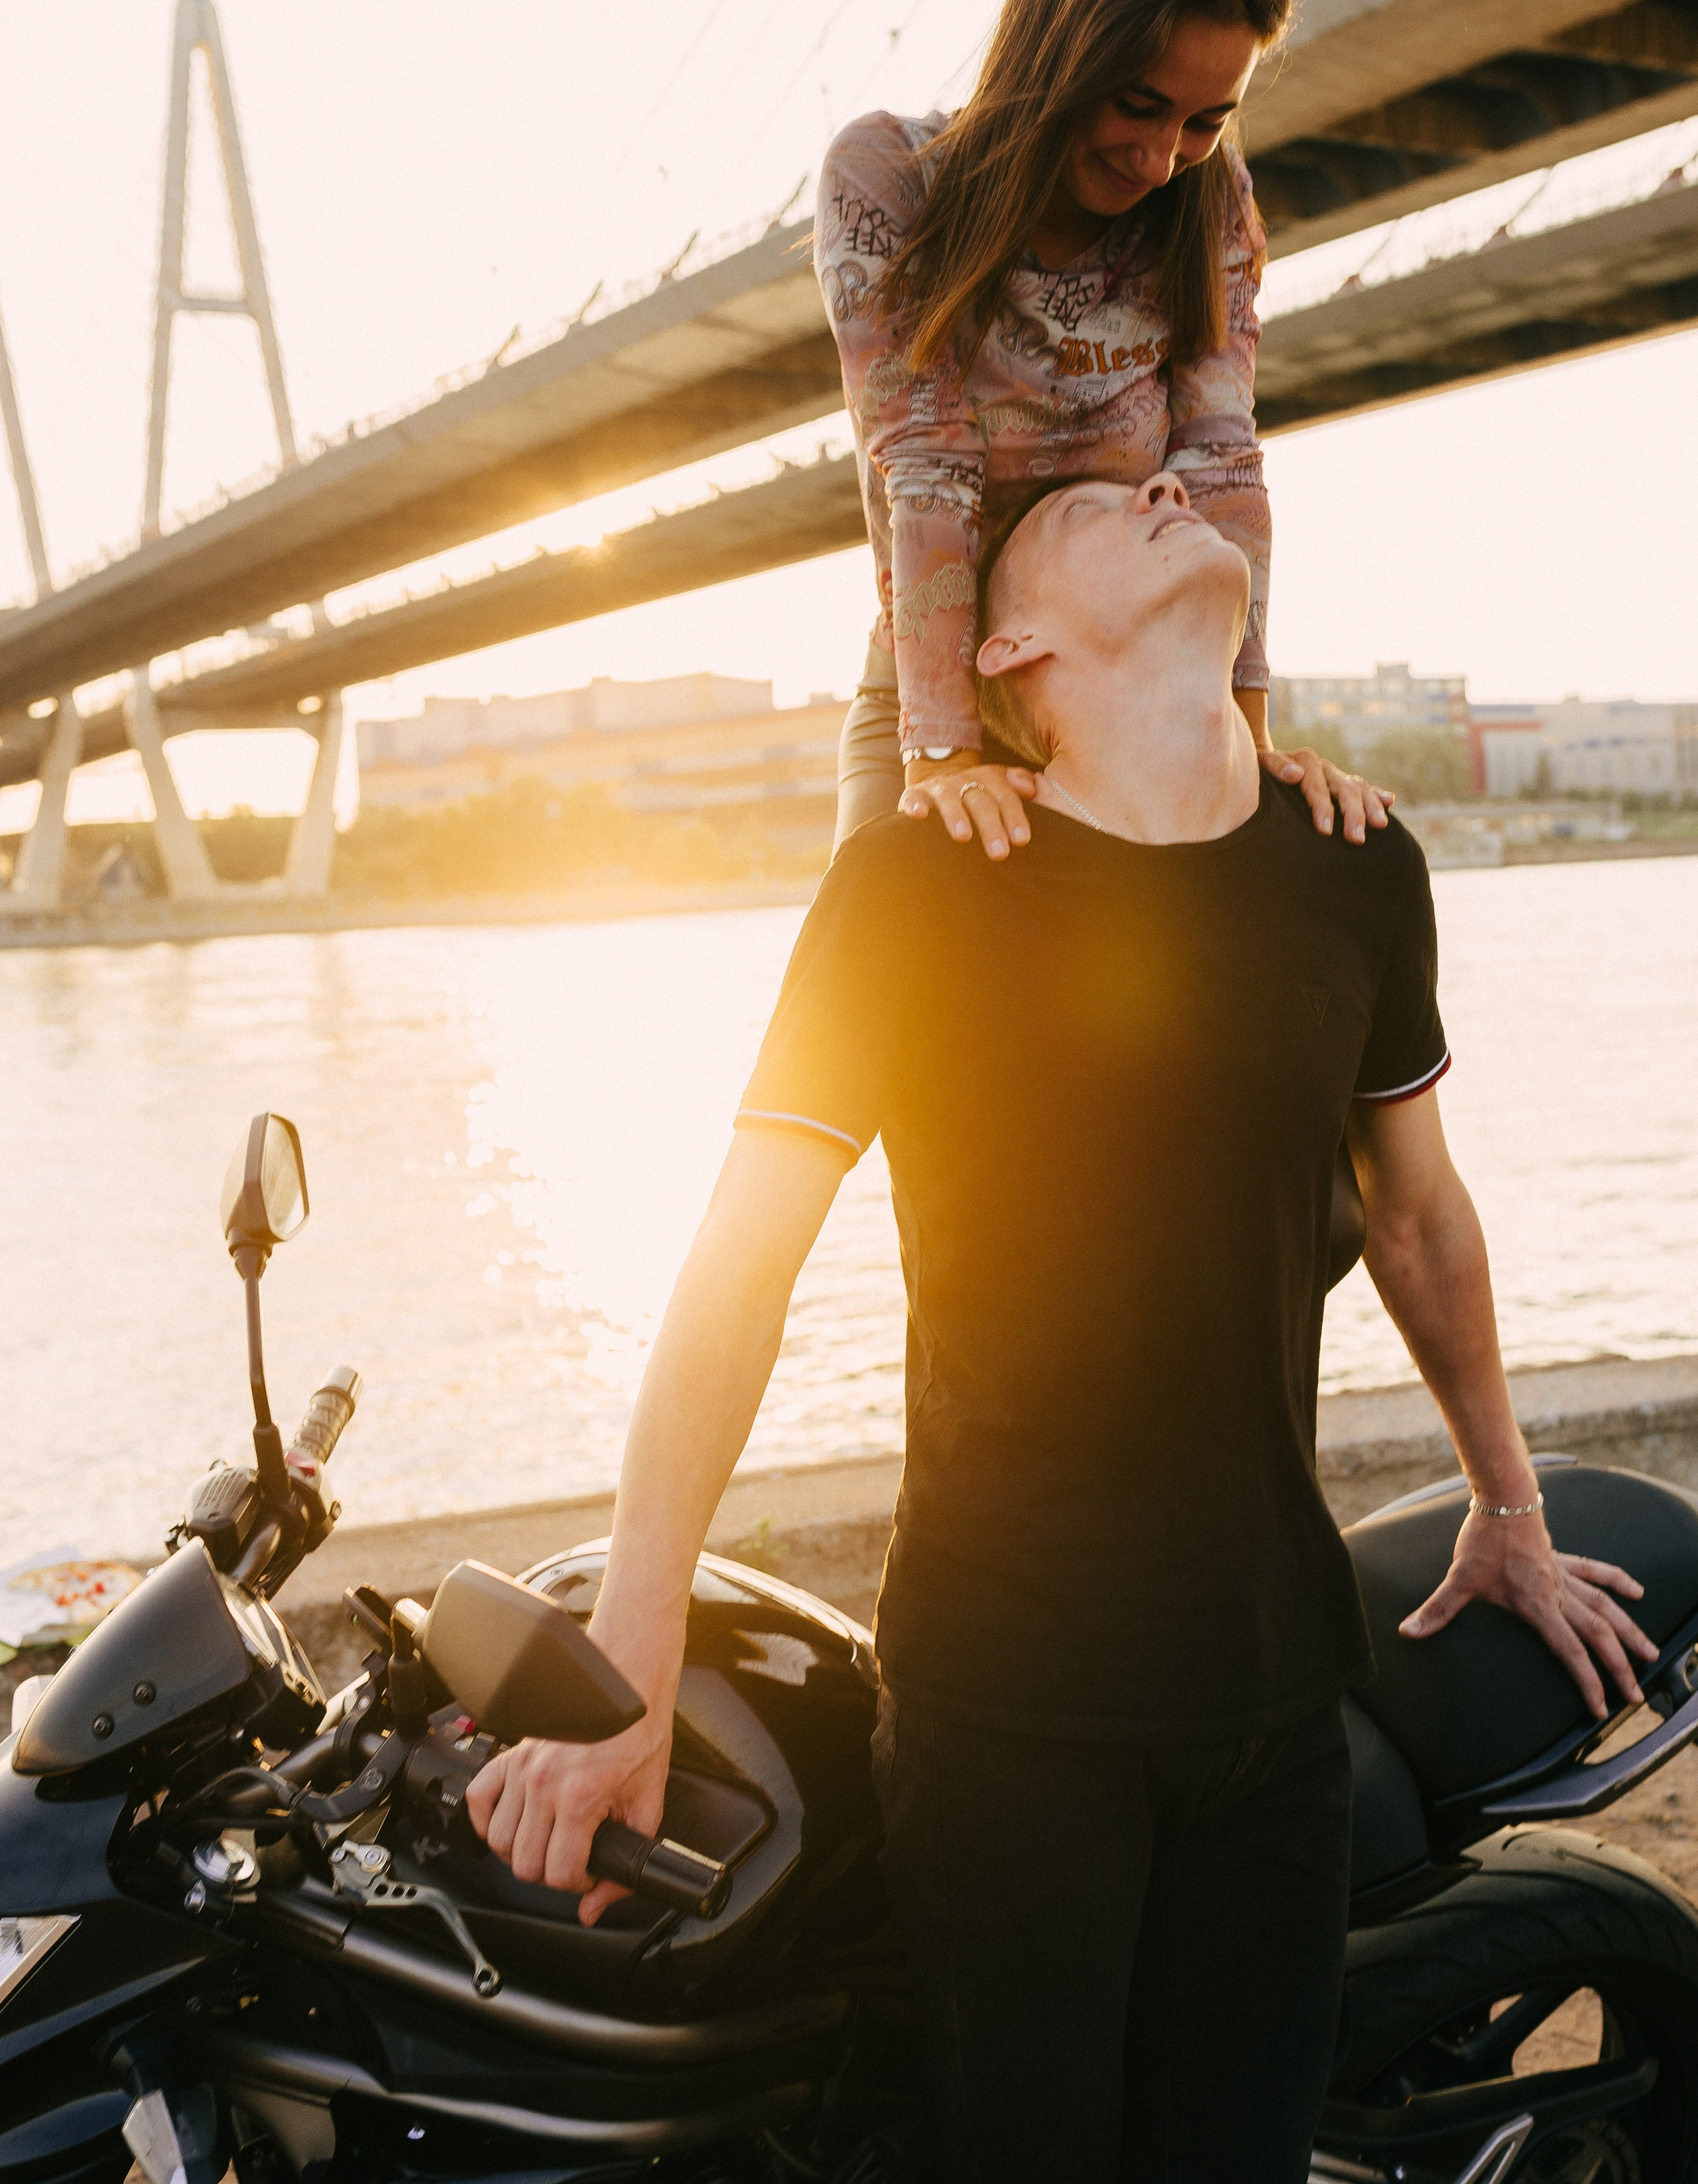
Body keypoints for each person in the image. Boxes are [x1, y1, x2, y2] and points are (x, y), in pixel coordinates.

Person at [469, 470, 1654, 2181]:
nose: (1171, 482)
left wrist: (1510, 1504)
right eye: (1108, 502)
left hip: (1270, 1705)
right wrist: (629, 1656)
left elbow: (1414, 1215)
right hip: (1005, 1704)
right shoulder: (915, 885)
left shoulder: (1355, 861)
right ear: (1010, 637)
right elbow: (737, 1271)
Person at [818, 0, 1392, 864]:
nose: (1162, 158)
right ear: (1062, 48)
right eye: (1139, 104)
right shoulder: (888, 182)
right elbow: (926, 456)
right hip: (939, 697)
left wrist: (1248, 744)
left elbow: (1220, 460)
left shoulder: (1211, 210)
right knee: (870, 983)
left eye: (1207, 121)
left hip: (1154, 718)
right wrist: (945, 764)